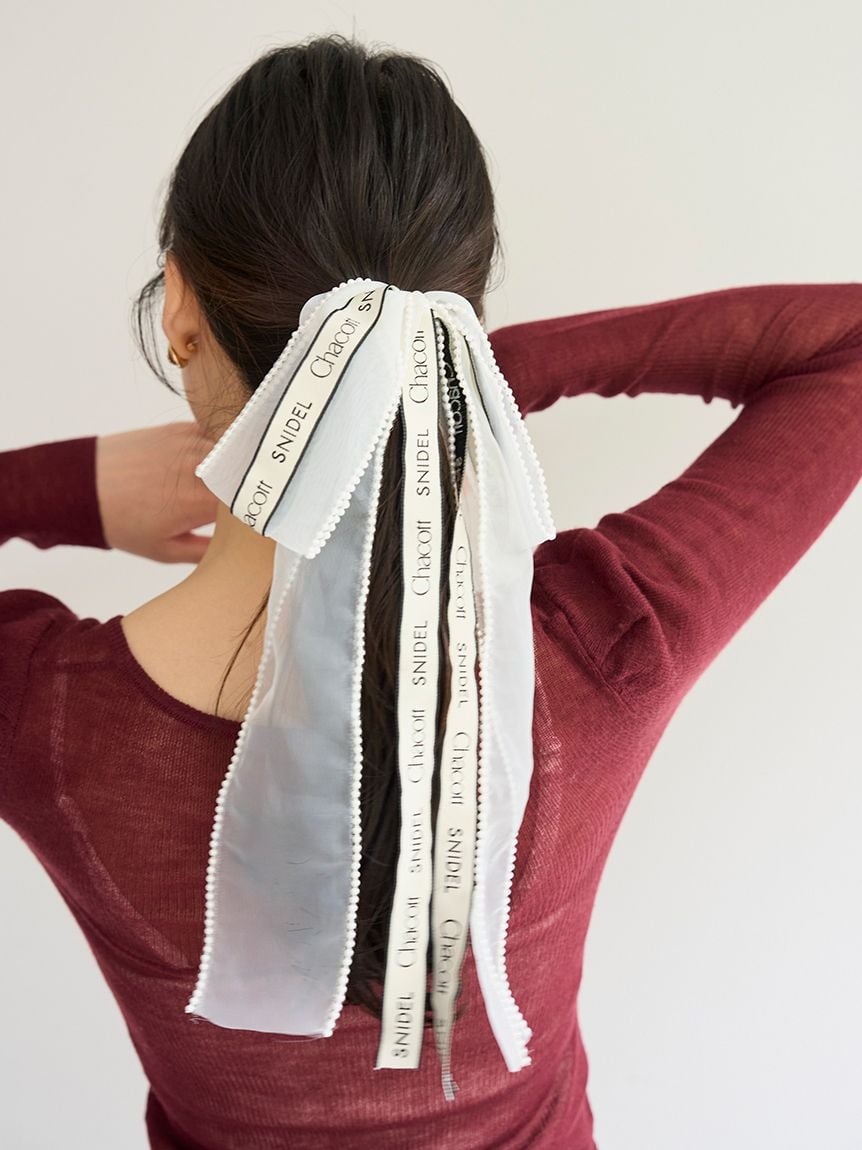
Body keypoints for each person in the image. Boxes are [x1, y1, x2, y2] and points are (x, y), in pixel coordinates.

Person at [1, 32, 860, 1150]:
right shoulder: (599, 648)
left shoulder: (44, 714)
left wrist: (62, 485)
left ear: (179, 306)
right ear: (454, 328)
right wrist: (470, 376)